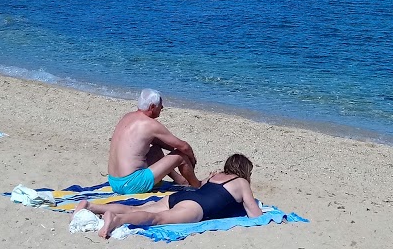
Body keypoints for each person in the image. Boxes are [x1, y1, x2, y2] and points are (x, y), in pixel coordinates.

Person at [80, 154, 262, 239]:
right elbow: (255, 214)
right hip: (195, 207)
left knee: (136, 208)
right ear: (245, 171)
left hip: (180, 197)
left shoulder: (215, 176)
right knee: (156, 219)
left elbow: (201, 185)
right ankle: (117, 220)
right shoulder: (241, 182)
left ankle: (91, 207)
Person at [105, 89, 200, 194]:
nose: (162, 108)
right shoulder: (150, 124)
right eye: (160, 105)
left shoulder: (127, 117)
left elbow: (163, 144)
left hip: (114, 182)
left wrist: (172, 148)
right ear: (152, 107)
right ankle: (197, 186)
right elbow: (184, 147)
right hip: (131, 185)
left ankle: (180, 180)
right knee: (181, 156)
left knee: (156, 151)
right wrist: (191, 159)